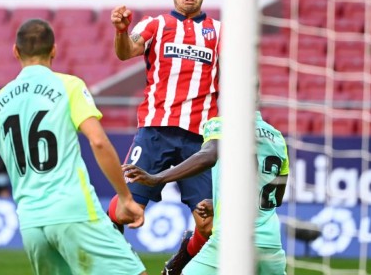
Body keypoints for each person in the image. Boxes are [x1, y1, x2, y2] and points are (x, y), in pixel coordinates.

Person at [0, 19, 147, 275]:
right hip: (75, 213)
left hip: (32, 225)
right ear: (54, 50)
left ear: (15, 51)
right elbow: (98, 141)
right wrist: (125, 197)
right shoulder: (69, 86)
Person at [109, 0, 221, 274]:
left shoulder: (219, 32)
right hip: (154, 132)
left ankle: (176, 266)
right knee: (124, 212)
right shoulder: (155, 25)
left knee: (208, 224)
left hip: (201, 142)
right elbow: (125, 50)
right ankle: (123, 266)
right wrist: (121, 30)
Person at [123, 114, 290, 275]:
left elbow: (208, 156)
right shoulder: (276, 137)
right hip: (271, 243)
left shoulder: (220, 124)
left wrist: (157, 178)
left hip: (230, 239)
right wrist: (219, 203)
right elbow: (275, 198)